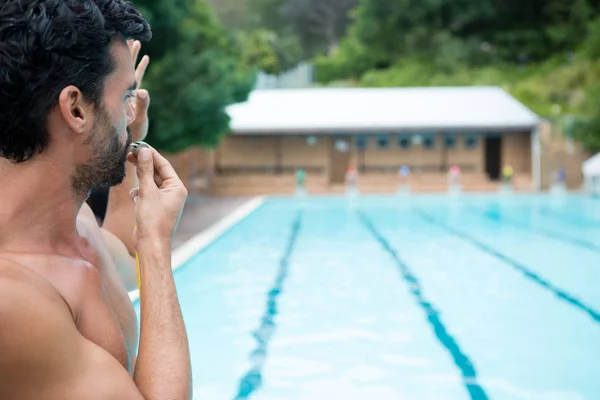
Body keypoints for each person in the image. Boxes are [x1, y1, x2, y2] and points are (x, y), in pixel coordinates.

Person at [0, 1, 192, 399]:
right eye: (125, 96)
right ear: (75, 108)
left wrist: (127, 132)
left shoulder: (75, 222)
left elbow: (118, 248)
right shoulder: (13, 299)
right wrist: (156, 246)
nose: (132, 111)